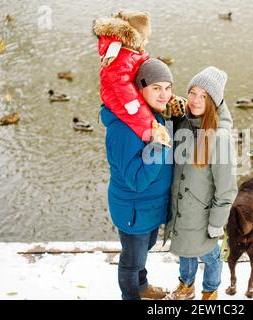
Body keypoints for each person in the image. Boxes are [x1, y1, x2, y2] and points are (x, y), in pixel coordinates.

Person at [101, 58, 175, 300]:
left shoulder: (151, 116)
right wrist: (160, 146)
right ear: (139, 89)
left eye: (168, 87)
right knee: (131, 262)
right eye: (156, 88)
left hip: (150, 208)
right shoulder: (123, 129)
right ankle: (131, 296)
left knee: (143, 252)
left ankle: (142, 287)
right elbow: (137, 181)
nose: (164, 95)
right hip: (134, 210)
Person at [164, 66, 238, 300]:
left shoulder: (220, 138)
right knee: (185, 250)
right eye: (192, 93)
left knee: (210, 255)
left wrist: (217, 223)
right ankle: (186, 285)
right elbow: (168, 148)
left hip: (203, 215)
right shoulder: (187, 123)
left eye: (203, 96)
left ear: (214, 101)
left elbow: (226, 190)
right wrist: (169, 117)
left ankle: (210, 290)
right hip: (182, 210)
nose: (195, 100)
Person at [94, 9, 157, 142]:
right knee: (140, 117)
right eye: (145, 39)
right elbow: (120, 82)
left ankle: (153, 134)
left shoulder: (129, 50)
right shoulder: (121, 55)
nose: (146, 42)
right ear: (134, 37)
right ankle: (151, 136)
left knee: (146, 113)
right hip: (117, 96)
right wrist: (131, 103)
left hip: (123, 93)